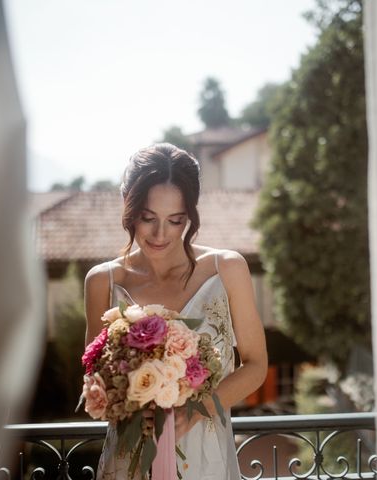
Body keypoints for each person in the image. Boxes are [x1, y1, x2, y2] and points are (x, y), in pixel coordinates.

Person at [84, 143, 268, 479]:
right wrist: (131, 399)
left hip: (207, 455)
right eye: (147, 218)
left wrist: (196, 411)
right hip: (130, 457)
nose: (160, 234)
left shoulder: (227, 268)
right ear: (129, 209)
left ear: (191, 215)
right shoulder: (103, 281)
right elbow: (92, 381)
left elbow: (256, 365)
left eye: (175, 220)